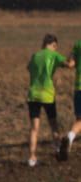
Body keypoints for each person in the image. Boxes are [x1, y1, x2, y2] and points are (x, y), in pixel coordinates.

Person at [25, 34, 71, 167]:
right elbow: (68, 64)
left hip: (33, 95)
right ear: (54, 45)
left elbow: (29, 68)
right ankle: (57, 150)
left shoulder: (35, 55)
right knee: (53, 125)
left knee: (34, 128)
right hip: (47, 95)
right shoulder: (53, 54)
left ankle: (31, 158)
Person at [62, 33, 81, 161]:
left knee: (79, 119)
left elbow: (71, 64)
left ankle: (70, 137)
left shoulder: (78, 44)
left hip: (78, 87)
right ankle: (70, 136)